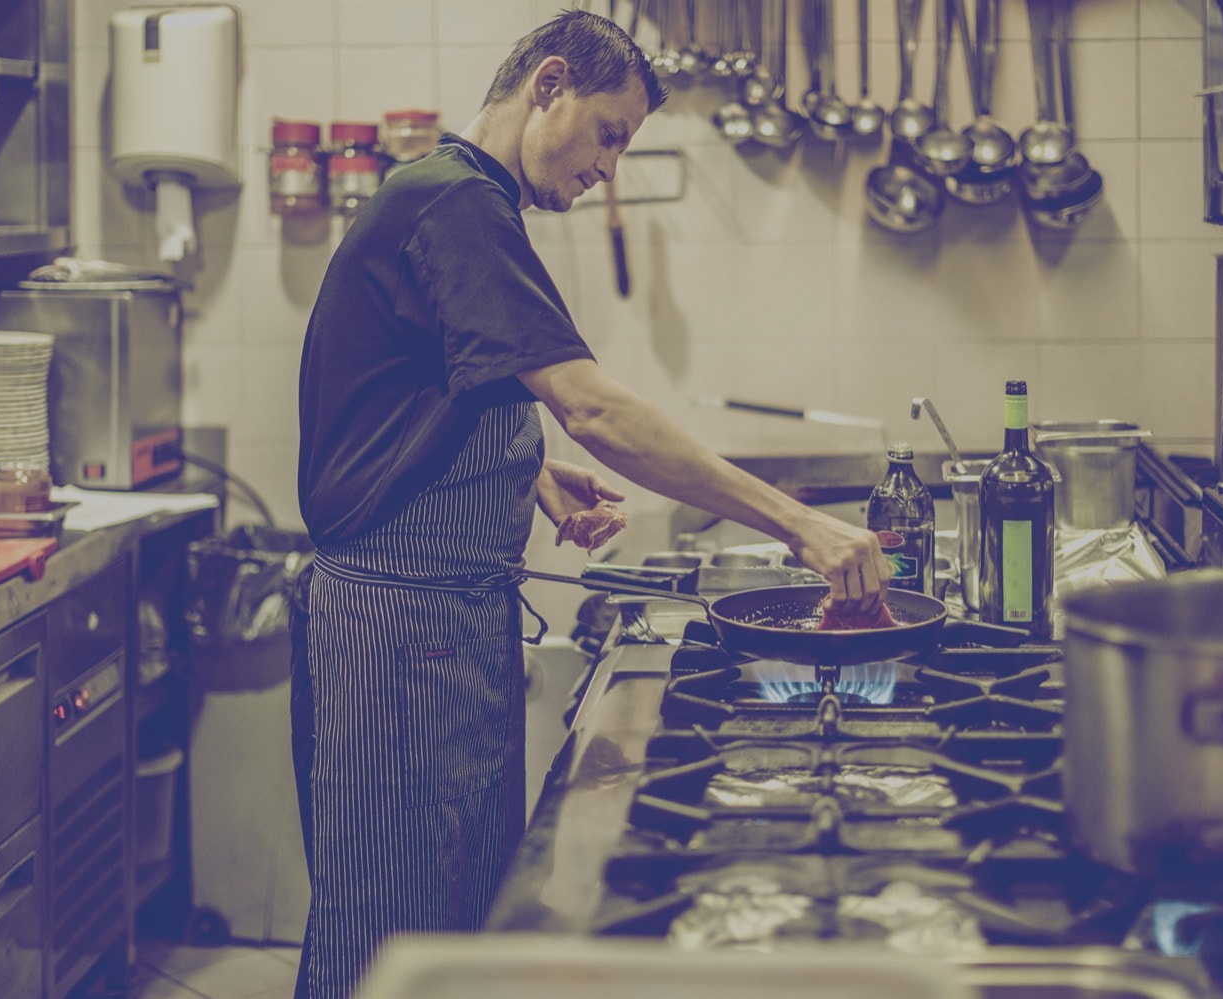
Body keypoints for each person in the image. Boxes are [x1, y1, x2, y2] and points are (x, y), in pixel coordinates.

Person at [293, 10, 891, 997]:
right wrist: (799, 522)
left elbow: (405, 386)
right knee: (388, 942)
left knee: (459, 923)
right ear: (549, 84)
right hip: (401, 632)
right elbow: (597, 410)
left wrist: (524, 474)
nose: (608, 168)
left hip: (450, 624)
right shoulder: (454, 204)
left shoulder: (462, 202)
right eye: (609, 134)